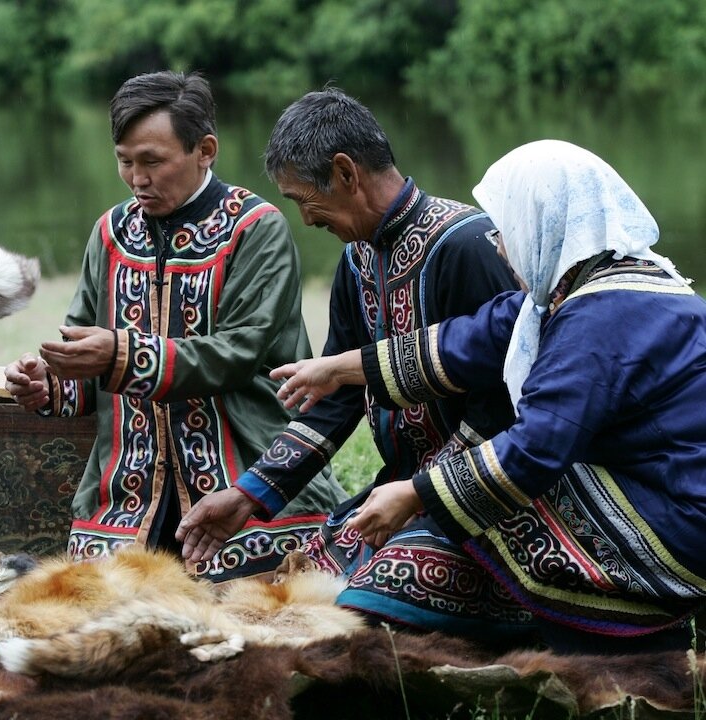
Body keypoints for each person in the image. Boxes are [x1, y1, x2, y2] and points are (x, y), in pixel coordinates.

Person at [269, 139, 706, 652]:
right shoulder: (586, 290)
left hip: (679, 522)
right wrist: (339, 369)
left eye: (506, 227)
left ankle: (603, 636)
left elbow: (537, 446)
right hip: (655, 489)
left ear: (544, 223)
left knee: (501, 496)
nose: (499, 244)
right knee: (475, 491)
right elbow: (473, 336)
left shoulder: (601, 313)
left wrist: (417, 492)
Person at [177, 88, 531, 641]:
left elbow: (506, 411)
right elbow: (336, 395)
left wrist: (421, 493)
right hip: (397, 491)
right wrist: (249, 494)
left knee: (365, 599)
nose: (305, 217)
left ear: (345, 173)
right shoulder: (356, 258)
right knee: (263, 586)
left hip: (482, 503)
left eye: (302, 199)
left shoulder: (468, 246)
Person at [4, 71, 346, 582]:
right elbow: (80, 349)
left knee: (256, 605)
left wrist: (121, 354)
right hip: (127, 495)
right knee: (98, 609)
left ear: (205, 150)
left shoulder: (256, 228)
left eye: (152, 161)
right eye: (124, 161)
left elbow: (239, 353)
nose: (138, 178)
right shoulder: (110, 233)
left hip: (245, 479)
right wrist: (48, 382)